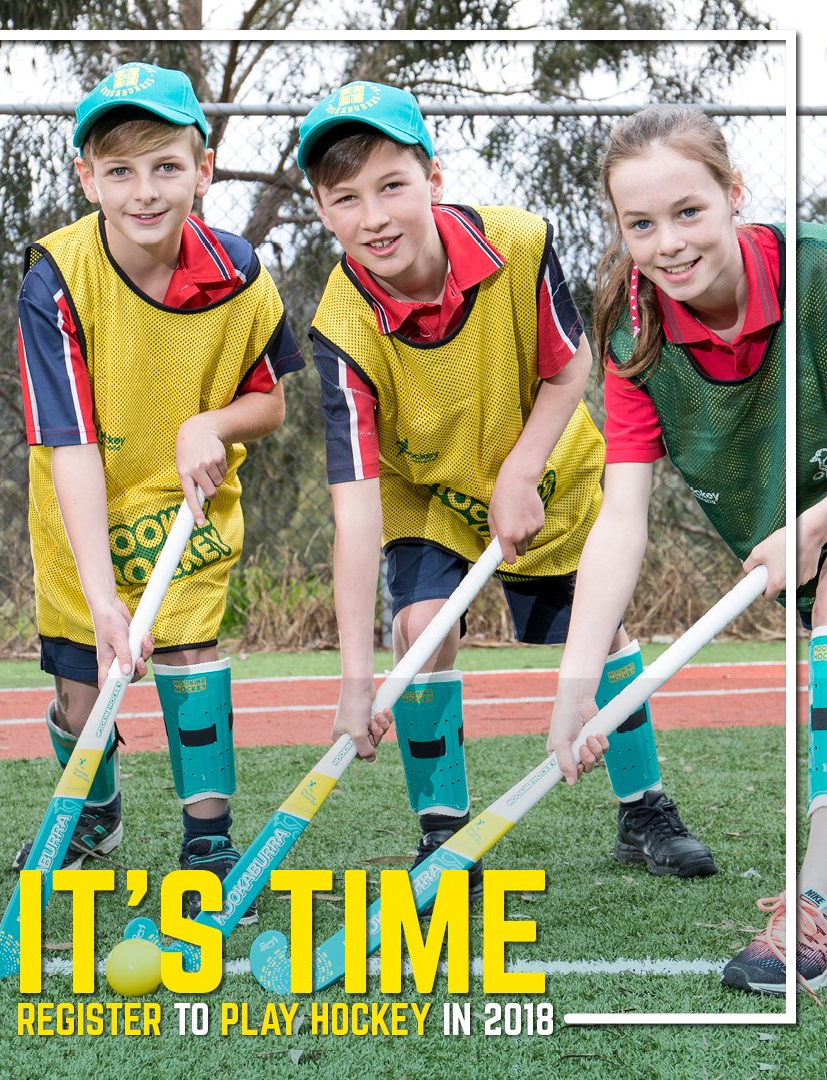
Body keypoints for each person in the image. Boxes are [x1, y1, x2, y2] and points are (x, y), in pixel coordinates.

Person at [298, 81, 715, 903]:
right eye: (345, 199)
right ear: (322, 211)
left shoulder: (518, 243)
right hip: (430, 493)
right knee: (420, 626)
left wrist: (520, 472)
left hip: (546, 465)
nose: (373, 216)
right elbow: (357, 509)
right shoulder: (338, 329)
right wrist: (354, 681)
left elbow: (570, 369)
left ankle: (643, 810)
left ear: (434, 179)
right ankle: (443, 832)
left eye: (391, 186)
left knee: (603, 632)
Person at [546, 104, 827, 997]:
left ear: (735, 196)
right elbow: (622, 518)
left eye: (690, 212)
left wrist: (815, 525)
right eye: (641, 224)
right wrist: (577, 685)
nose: (667, 243)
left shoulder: (817, 275)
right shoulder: (633, 327)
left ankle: (813, 904)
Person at [15, 62, 302, 920]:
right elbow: (67, 443)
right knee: (82, 684)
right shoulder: (55, 279)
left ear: (203, 169)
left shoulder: (242, 272)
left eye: (166, 167)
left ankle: (207, 839)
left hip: (189, 501)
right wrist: (102, 599)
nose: (145, 191)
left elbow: (272, 400)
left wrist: (209, 425)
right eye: (120, 171)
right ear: (86, 178)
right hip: (82, 505)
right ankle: (94, 813)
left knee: (187, 659)